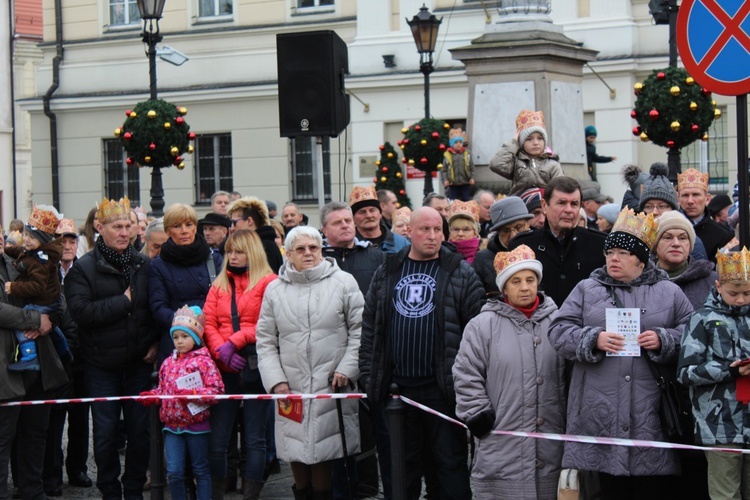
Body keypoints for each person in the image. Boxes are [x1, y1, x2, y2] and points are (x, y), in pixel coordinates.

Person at [548, 208, 693, 499]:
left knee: (649, 490)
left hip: (650, 415)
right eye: (610, 252)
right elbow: (558, 331)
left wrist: (664, 340)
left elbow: (693, 335)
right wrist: (593, 339)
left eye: (622, 254)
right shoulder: (587, 289)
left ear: (641, 260)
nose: (613, 258)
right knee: (608, 490)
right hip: (598, 413)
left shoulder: (669, 292)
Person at [359, 207, 485, 500]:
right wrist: (369, 377)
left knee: (450, 466)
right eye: (424, 230)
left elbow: (477, 334)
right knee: (401, 471)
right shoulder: (388, 270)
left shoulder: (460, 271)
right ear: (410, 232)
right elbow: (370, 328)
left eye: (437, 230)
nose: (432, 236)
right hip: (397, 390)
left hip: (443, 390)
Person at [64, 196, 160, 499]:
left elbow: (154, 308)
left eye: (127, 226)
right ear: (99, 228)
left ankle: (133, 490)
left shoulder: (143, 264)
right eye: (117, 226)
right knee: (104, 436)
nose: (124, 232)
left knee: (140, 434)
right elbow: (82, 313)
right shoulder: (84, 269)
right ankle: (109, 489)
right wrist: (124, 301)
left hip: (137, 364)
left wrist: (155, 342)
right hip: (100, 365)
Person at [257, 226, 363, 500]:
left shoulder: (344, 282)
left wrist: (347, 368)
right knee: (295, 449)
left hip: (332, 381)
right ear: (288, 254)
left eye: (313, 248)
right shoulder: (274, 289)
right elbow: (265, 340)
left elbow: (361, 331)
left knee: (325, 451)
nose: (308, 253)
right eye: (300, 249)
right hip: (290, 384)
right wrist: (275, 380)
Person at [454, 245, 565, 499]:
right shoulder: (483, 325)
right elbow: (465, 373)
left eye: (530, 280)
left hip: (550, 441)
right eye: (516, 281)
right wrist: (478, 415)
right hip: (501, 439)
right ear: (504, 288)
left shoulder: (558, 322)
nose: (524, 287)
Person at [203, 229, 277, 500]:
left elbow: (270, 324)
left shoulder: (270, 282)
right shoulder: (219, 283)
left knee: (255, 438)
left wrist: (235, 340)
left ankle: (251, 495)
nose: (233, 256)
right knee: (218, 438)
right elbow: (208, 322)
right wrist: (220, 350)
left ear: (253, 252)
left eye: (239, 251)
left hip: (256, 365)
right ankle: (217, 494)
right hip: (224, 368)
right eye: (230, 251)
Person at [320, 201, 387, 499]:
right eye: (338, 222)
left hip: (370, 354)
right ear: (325, 230)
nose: (347, 225)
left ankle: (371, 486)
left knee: (373, 427)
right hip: (330, 358)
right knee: (336, 430)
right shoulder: (318, 260)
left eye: (348, 220)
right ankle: (341, 488)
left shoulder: (374, 258)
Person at [0, 224, 69, 500]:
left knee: (36, 429)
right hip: (5, 365)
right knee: (4, 436)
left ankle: (31, 488)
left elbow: (58, 297)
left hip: (38, 359)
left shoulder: (20, 259)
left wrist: (50, 320)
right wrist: (33, 319)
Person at [678, 247, 750, 500]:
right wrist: (729, 370)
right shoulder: (703, 319)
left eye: (747, 293)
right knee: (725, 493)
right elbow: (686, 372)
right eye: (734, 293)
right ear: (719, 287)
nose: (741, 299)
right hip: (720, 424)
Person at [139, 305, 225, 500]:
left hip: (197, 426)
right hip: (171, 427)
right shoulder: (168, 363)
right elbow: (165, 390)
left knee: (200, 470)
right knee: (174, 472)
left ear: (195, 338)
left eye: (184, 337)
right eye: (176, 337)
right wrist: (154, 395)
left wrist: (193, 394)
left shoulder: (205, 362)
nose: (179, 341)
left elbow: (217, 391)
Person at [43, 219, 93, 494]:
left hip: (82, 356)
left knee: (80, 418)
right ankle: (51, 475)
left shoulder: (84, 270)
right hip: (54, 356)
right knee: (53, 419)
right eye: (62, 240)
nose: (68, 245)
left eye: (72, 240)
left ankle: (78, 469)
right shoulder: (46, 272)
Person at [510, 176, 607, 307]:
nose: (569, 210)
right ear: (545, 206)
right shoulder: (522, 246)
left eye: (574, 204)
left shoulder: (599, 244)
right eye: (561, 203)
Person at [149, 203, 223, 363]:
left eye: (189, 225)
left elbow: (224, 300)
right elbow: (158, 307)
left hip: (210, 338)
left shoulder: (214, 259)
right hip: (177, 341)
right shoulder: (158, 265)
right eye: (177, 226)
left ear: (195, 227)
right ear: (168, 231)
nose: (184, 231)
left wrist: (205, 325)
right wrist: (186, 324)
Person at [4, 205, 71, 371]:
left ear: (42, 241)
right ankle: (64, 348)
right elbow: (19, 251)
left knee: (24, 327)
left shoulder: (39, 261)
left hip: (43, 301)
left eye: (31, 238)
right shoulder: (33, 253)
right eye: (25, 235)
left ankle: (29, 355)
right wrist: (7, 249)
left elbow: (37, 286)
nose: (26, 240)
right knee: (50, 327)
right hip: (49, 302)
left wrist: (14, 287)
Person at [489, 109, 563, 196]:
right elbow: (496, 164)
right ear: (521, 142)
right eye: (529, 139)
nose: (535, 143)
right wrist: (514, 143)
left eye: (540, 138)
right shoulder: (516, 162)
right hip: (520, 206)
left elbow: (561, 189)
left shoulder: (553, 164)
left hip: (544, 206)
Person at [654, 211, 717, 309]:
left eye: (682, 238)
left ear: (690, 245)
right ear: (655, 245)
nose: (676, 243)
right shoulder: (642, 281)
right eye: (667, 237)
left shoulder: (712, 281)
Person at [473, 196, 533, 296]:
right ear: (498, 232)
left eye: (519, 227)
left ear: (528, 223)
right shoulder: (482, 259)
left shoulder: (542, 249)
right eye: (506, 231)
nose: (513, 236)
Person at [678, 168, 733, 264]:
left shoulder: (723, 235)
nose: (690, 201)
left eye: (695, 195)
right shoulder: (668, 228)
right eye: (685, 195)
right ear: (678, 198)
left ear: (707, 199)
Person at [227, 197, 284, 272]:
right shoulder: (258, 243)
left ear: (249, 221)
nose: (232, 228)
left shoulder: (266, 247)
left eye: (234, 222)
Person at [350, 186, 409, 254]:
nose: (369, 216)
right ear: (353, 218)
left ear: (380, 214)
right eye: (362, 212)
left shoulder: (401, 244)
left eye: (372, 210)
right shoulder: (348, 245)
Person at [441, 128, 475, 202]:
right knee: (453, 201)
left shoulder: (467, 154)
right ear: (452, 144)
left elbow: (472, 167)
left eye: (460, 142)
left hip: (465, 182)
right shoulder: (448, 155)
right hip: (453, 184)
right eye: (456, 142)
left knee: (466, 200)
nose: (458, 144)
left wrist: (472, 177)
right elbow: (444, 170)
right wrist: (446, 180)